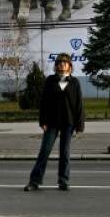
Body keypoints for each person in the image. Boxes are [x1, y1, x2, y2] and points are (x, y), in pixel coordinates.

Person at [24, 53, 85, 191]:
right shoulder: (50, 80)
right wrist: (42, 121)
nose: (62, 64)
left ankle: (63, 181)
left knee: (65, 153)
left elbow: (79, 104)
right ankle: (34, 181)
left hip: (68, 122)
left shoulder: (75, 82)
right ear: (56, 65)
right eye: (60, 62)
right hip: (51, 122)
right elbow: (44, 102)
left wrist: (80, 125)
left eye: (65, 62)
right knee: (45, 151)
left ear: (70, 65)